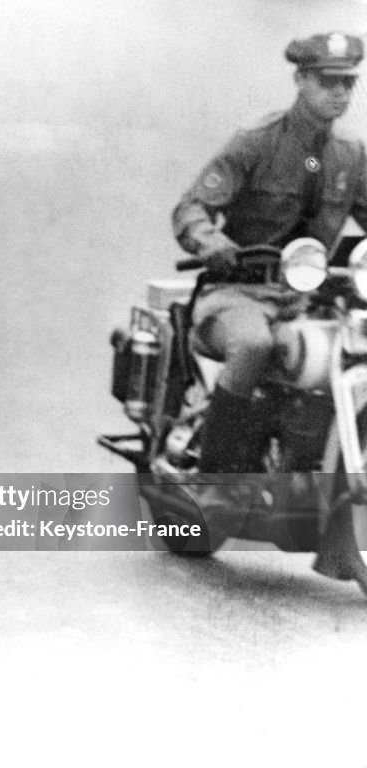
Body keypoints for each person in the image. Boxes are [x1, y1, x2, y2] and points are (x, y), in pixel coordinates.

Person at [172, 32, 367, 581]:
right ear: (301, 80)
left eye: (347, 83)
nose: (339, 94)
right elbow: (191, 208)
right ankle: (214, 489)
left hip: (307, 302)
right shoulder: (256, 142)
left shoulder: (351, 155)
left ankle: (313, 474)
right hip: (237, 296)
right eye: (328, 82)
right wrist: (213, 245)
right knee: (256, 345)